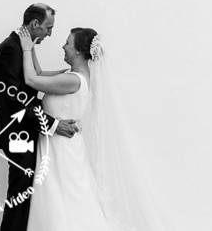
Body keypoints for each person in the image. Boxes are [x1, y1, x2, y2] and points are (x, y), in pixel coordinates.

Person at [17, 25, 169, 231]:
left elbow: (31, 79)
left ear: (79, 51)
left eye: (67, 43)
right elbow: (39, 73)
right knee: (59, 199)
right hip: (57, 146)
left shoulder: (72, 80)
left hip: (61, 150)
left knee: (62, 199)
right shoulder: (70, 75)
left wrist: (26, 49)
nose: (63, 46)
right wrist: (32, 45)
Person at [0, 4, 79, 231]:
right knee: (19, 197)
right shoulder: (11, 50)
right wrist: (54, 124)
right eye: (48, 28)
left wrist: (71, 73)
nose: (50, 34)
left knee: (24, 195)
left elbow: (37, 76)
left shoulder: (24, 46)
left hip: (25, 132)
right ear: (34, 24)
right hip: (17, 134)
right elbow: (16, 102)